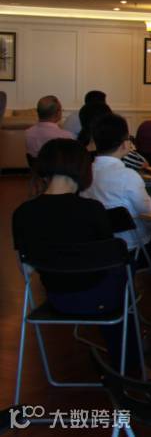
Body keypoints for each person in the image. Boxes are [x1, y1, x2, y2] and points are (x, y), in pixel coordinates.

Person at [12, 138, 138, 371]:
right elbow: (108, 258)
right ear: (83, 169)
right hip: (104, 299)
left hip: (58, 299)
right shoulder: (92, 210)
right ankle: (129, 368)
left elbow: (26, 269)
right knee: (123, 278)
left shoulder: (23, 213)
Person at [82, 114, 151, 253]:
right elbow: (149, 213)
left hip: (95, 241)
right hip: (131, 243)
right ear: (124, 144)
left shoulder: (84, 171)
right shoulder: (128, 176)